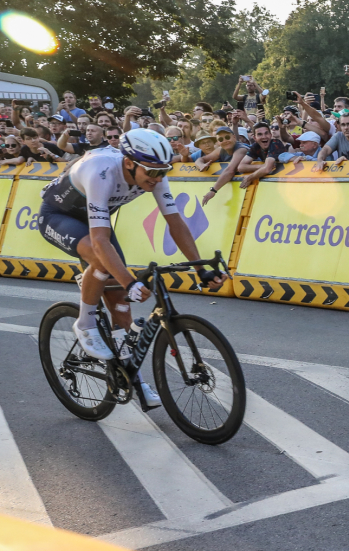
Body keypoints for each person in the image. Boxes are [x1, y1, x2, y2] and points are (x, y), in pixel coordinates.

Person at [37, 130, 225, 408]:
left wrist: (200, 268)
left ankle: (129, 377)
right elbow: (100, 241)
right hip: (58, 217)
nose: (157, 178)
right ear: (129, 163)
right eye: (151, 171)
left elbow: (176, 223)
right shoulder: (99, 171)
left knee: (121, 307)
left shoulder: (153, 173)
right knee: (104, 264)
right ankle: (85, 322)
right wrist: (129, 282)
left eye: (163, 171)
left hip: (93, 222)